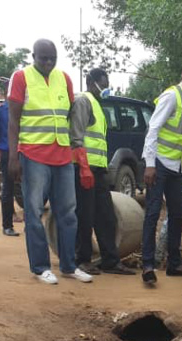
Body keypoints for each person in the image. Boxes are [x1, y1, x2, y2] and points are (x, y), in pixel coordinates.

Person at [7, 39, 91, 285]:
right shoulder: (21, 78)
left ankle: (68, 265)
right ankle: (41, 267)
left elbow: (68, 116)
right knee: (34, 212)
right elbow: (13, 121)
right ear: (33, 56)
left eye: (52, 58)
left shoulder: (64, 78)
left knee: (68, 213)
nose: (47, 62)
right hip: (33, 154)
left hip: (62, 154)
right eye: (43, 58)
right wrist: (14, 156)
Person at [140, 62, 182, 286]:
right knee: (152, 213)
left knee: (177, 215)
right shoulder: (172, 96)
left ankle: (174, 263)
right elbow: (153, 129)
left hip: (178, 165)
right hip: (159, 163)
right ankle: (148, 265)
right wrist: (149, 164)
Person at [71, 68, 135, 275]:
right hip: (83, 167)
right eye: (103, 84)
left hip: (97, 169)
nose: (105, 88)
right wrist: (83, 167)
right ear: (90, 81)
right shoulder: (83, 101)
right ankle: (82, 259)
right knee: (85, 215)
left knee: (106, 215)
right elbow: (76, 137)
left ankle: (110, 260)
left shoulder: (97, 105)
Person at [0, 82, 19, 237]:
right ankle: (7, 225)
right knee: (8, 189)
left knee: (31, 189)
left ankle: (32, 225)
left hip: (26, 153)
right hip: (7, 154)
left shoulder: (26, 110)